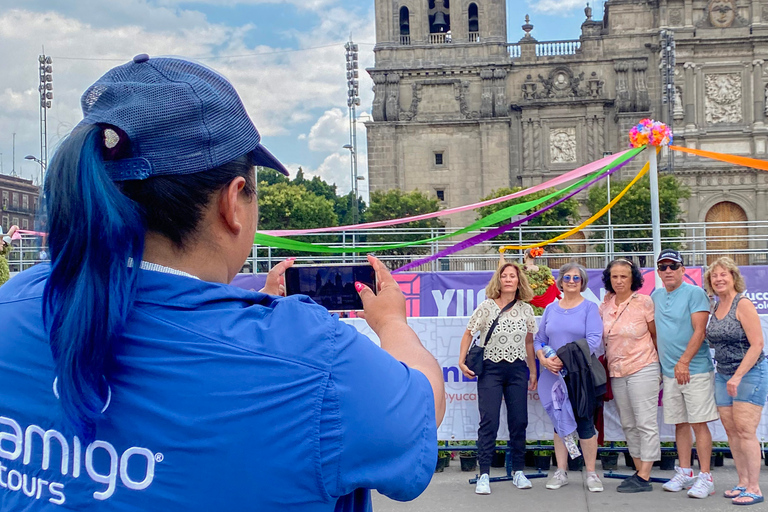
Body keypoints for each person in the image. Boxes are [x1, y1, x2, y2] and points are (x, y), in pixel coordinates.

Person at [0, 55, 445, 511]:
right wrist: (392, 324)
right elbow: (421, 412)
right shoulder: (316, 358)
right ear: (233, 203)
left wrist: (248, 311)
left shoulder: (13, 307)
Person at [458, 261, 538, 494]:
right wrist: (461, 360)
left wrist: (532, 371)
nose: (508, 279)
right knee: (489, 420)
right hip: (490, 368)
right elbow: (468, 333)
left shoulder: (526, 309)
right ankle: (484, 473)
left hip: (517, 369)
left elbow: (529, 342)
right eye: (504, 276)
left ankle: (519, 471)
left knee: (519, 420)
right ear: (499, 280)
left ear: (519, 281)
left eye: (513, 276)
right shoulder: (486, 307)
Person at [651, 249, 718, 498]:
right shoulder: (656, 295)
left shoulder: (695, 293)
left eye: (673, 266)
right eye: (663, 266)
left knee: (699, 423)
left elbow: (700, 331)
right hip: (670, 372)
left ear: (682, 269)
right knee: (680, 423)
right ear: (658, 272)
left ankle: (706, 477)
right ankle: (686, 472)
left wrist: (684, 362)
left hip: (694, 370)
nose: (667, 271)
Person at [534, 263, 604, 493]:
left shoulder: (590, 308)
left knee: (585, 422)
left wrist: (564, 359)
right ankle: (561, 471)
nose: (571, 281)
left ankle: (592, 473)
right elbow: (539, 339)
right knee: (559, 423)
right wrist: (543, 359)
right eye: (567, 277)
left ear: (582, 282)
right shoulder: (550, 309)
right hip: (554, 376)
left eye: (576, 277)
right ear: (560, 281)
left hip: (580, 375)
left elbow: (594, 341)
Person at [704, 257, 766, 506]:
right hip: (723, 373)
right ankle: (742, 482)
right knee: (731, 431)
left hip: (749, 374)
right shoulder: (715, 306)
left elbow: (758, 344)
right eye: (714, 276)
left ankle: (754, 487)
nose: (719, 279)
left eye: (723, 274)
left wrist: (738, 376)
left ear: (733, 277)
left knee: (746, 430)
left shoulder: (743, 304)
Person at [598, 259, 660, 493]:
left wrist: (660, 368)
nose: (619, 280)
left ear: (633, 278)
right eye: (615, 276)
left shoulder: (644, 302)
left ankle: (644, 476)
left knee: (645, 423)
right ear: (609, 279)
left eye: (624, 276)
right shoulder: (605, 305)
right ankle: (639, 471)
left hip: (643, 366)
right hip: (617, 371)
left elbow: (655, 336)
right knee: (629, 424)